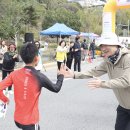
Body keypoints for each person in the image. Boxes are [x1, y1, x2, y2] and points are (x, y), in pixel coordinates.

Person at [60, 33, 130, 130]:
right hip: (123, 107)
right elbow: (93, 71)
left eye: (106, 44)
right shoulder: (108, 61)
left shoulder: (127, 58)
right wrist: (74, 74)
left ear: (116, 45)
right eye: (101, 45)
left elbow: (126, 80)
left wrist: (102, 84)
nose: (103, 48)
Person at [0, 43, 64, 130]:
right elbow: (56, 88)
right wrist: (61, 75)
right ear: (37, 59)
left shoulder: (14, 74)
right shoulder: (39, 76)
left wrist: (5, 99)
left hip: (17, 119)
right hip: (30, 122)